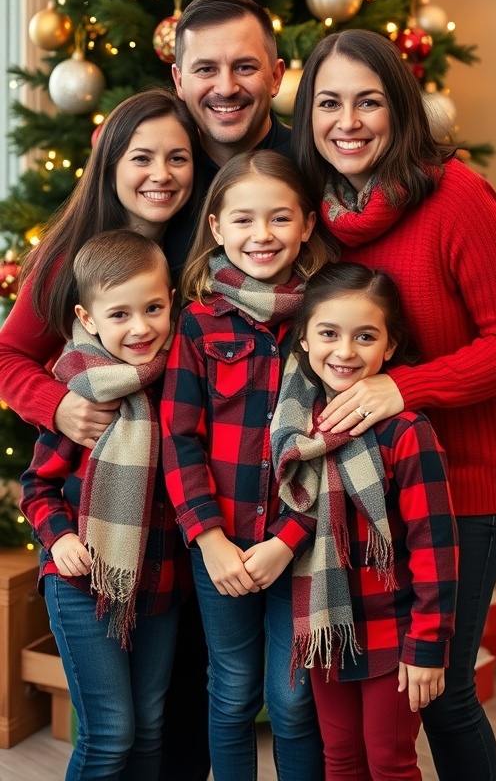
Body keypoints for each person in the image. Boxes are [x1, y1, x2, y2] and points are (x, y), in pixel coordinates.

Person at [283, 29, 496, 781]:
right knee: (369, 692)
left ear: (401, 109)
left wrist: (401, 386)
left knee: (440, 691)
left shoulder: (458, 196)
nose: (348, 122)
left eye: (369, 102)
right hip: (365, 494)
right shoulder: (318, 215)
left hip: (459, 482)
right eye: (329, 103)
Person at [0, 89, 211, 781]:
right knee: (113, 733)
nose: (161, 173)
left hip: (167, 564)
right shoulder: (68, 260)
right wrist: (58, 406)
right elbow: (8, 357)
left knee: (152, 724)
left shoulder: (202, 247)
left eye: (178, 157)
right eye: (141, 156)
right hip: (92, 557)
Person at [161, 150, 329, 781]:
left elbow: (331, 444)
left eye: (280, 218)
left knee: (292, 698)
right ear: (217, 228)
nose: (262, 235)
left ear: (307, 225)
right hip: (220, 548)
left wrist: (289, 539)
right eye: (245, 220)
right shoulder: (199, 324)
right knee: (231, 692)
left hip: (300, 545)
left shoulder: (323, 322)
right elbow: (179, 437)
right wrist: (208, 540)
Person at [271, 262, 459, 781]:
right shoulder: (298, 430)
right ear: (304, 341)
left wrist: (427, 644)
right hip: (329, 627)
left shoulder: (404, 431)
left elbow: (434, 545)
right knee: (341, 760)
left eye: (365, 336)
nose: (346, 351)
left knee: (390, 762)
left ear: (390, 346)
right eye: (328, 333)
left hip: (394, 633)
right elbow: (299, 515)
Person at [20, 230, 185, 781]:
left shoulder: (182, 383)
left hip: (159, 582)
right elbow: (38, 486)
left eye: (154, 309)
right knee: (110, 731)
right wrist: (61, 538)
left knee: (150, 724)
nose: (141, 328)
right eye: (120, 315)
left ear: (172, 301)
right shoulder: (82, 394)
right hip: (84, 578)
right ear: (88, 319)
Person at [166, 0, 292, 272]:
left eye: (244, 67)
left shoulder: (315, 165)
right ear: (180, 81)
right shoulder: (161, 183)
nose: (226, 88)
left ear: (275, 77)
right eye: (206, 69)